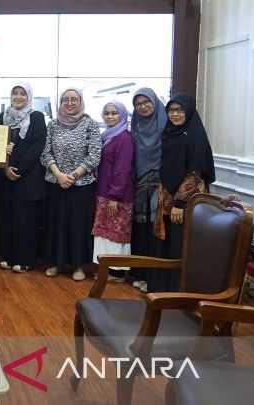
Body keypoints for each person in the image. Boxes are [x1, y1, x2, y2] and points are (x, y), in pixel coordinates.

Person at [148, 93, 215, 292]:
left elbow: (195, 172)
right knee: (166, 242)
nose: (175, 115)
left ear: (189, 112)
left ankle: (178, 290)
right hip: (168, 196)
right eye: (171, 110)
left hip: (185, 201)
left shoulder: (195, 135)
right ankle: (162, 287)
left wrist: (179, 203)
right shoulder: (170, 133)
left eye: (180, 110)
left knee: (179, 244)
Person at [41, 87, 102, 281]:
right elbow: (45, 153)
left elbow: (94, 155)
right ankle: (55, 263)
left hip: (82, 185)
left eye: (74, 99)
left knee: (78, 226)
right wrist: (59, 175)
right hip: (55, 183)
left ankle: (78, 266)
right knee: (56, 224)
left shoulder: (90, 124)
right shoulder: (52, 124)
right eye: (65, 99)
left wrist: (73, 175)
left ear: (80, 101)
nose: (69, 103)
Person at [0, 82, 47, 273]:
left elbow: (37, 146)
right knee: (9, 218)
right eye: (15, 93)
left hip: (28, 178)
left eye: (22, 94)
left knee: (26, 221)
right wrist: (5, 167)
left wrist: (18, 170)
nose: (18, 97)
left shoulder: (36, 117)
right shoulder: (3, 116)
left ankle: (25, 260)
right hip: (6, 177)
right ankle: (9, 257)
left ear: (29, 97)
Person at [129, 87, 168, 293]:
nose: (143, 107)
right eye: (138, 104)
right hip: (138, 185)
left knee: (156, 230)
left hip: (161, 187)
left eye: (147, 102)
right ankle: (140, 274)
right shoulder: (135, 126)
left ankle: (155, 279)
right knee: (141, 230)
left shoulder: (166, 127)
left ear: (155, 103)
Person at [91, 100, 135, 282]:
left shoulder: (124, 138)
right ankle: (106, 269)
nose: (110, 116)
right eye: (107, 113)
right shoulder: (108, 136)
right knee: (104, 234)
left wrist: (114, 196)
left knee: (116, 234)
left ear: (123, 115)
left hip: (117, 196)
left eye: (114, 113)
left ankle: (117, 272)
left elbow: (122, 169)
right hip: (105, 192)